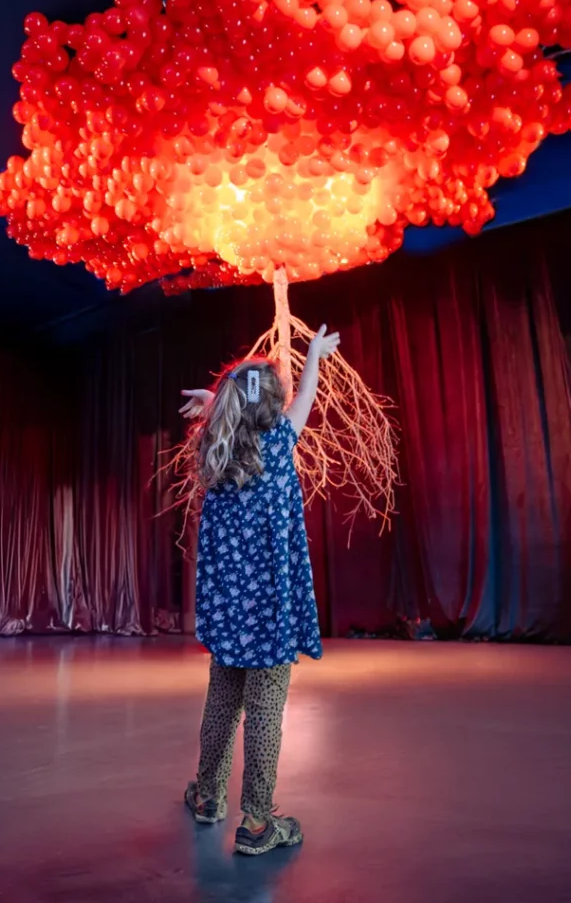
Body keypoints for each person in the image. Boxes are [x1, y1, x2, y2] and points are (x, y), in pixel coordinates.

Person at [180, 324, 341, 857]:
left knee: (221, 702)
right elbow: (306, 396)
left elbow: (234, 417)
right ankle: (256, 821)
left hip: (229, 613)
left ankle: (208, 796)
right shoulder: (279, 443)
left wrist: (213, 406)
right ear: (275, 407)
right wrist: (313, 355)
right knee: (266, 710)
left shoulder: (218, 451)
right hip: (271, 614)